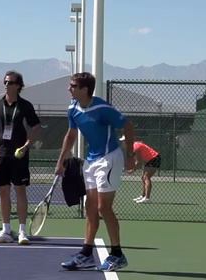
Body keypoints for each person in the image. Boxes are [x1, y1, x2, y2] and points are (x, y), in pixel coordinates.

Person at [56, 72, 135, 272]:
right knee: (90, 207)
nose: (69, 89)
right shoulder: (72, 109)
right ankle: (86, 254)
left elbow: (128, 126)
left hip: (109, 158)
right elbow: (71, 134)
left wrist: (131, 155)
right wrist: (61, 160)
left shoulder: (102, 108)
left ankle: (117, 254)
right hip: (90, 162)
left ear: (85, 89)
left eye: (73, 86)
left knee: (103, 208)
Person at [0, 70, 41, 245]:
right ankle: (6, 230)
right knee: (3, 192)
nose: (8, 85)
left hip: (19, 156)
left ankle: (22, 232)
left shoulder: (25, 106)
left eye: (12, 82)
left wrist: (26, 146)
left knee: (20, 190)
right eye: (6, 82)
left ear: (19, 85)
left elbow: (37, 128)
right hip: (0, 155)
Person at [124, 137, 160, 203]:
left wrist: (132, 170)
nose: (123, 142)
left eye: (124, 141)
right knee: (143, 177)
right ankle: (143, 196)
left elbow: (139, 162)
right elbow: (139, 160)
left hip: (154, 159)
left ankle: (147, 198)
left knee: (146, 177)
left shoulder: (135, 147)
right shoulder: (134, 146)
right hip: (149, 160)